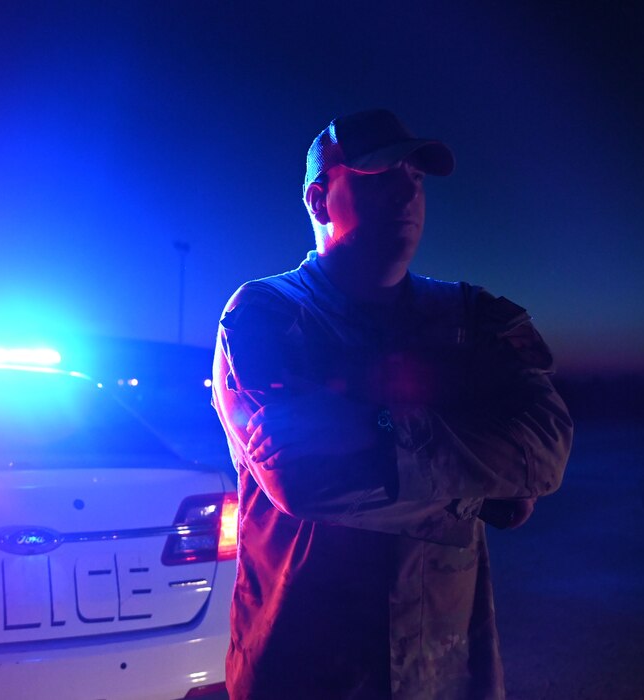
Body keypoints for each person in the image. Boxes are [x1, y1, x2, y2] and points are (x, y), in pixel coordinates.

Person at [210, 109, 573, 700]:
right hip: (302, 671)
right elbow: (303, 480)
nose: (408, 188)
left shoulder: (470, 317)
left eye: (416, 175)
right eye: (380, 173)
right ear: (319, 200)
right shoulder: (267, 314)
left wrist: (373, 434)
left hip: (446, 675)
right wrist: (480, 492)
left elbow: (547, 443)